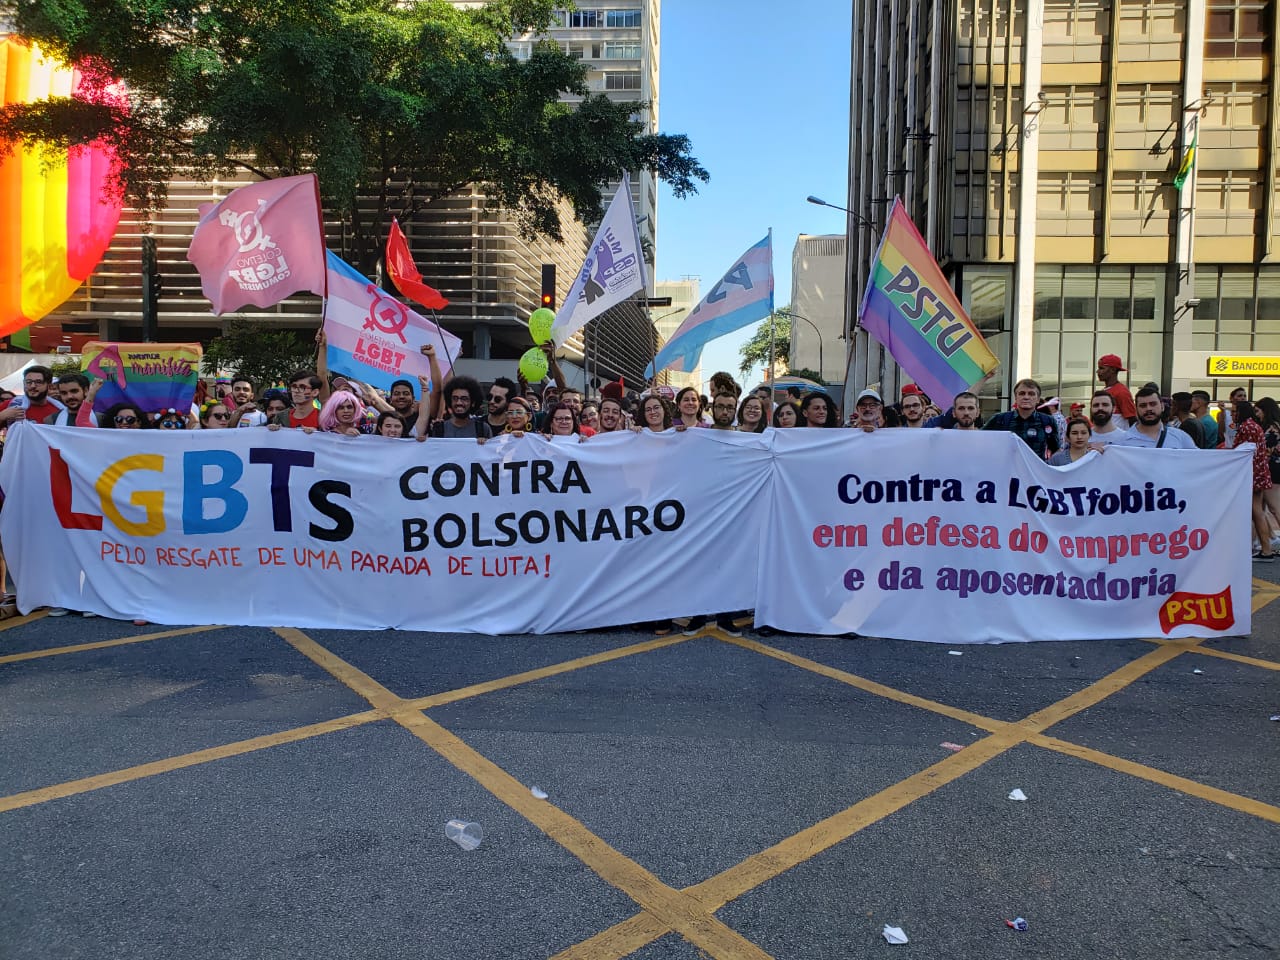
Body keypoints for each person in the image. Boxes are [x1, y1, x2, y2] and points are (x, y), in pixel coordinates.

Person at [1230, 400, 1274, 561]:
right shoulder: (1253, 425)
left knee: (1256, 512)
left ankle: (1266, 550)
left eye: (1235, 411)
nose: (1232, 415)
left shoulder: (1246, 427)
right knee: (1257, 511)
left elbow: (1243, 452)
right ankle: (1263, 547)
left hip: (1252, 474)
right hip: (1258, 472)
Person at [982, 379, 1061, 458]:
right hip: (1008, 469)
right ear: (1016, 397)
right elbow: (980, 440)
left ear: (1038, 399)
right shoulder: (999, 419)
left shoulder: (1048, 421)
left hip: (1033, 470)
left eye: (1031, 394)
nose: (1026, 397)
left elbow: (1056, 449)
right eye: (1022, 393)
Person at [1113, 386, 1197, 449]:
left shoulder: (1180, 437)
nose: (1148, 409)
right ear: (1136, 409)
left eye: (1153, 404)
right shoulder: (1121, 442)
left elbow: (1198, 460)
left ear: (1162, 406)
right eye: (1143, 405)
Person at [425, 375, 492, 440]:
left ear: (473, 402)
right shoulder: (438, 429)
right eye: (455, 398)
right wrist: (421, 442)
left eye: (464, 399)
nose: (459, 402)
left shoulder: (483, 429)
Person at [1096, 354, 1136, 427]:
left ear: (1113, 370)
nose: (1098, 371)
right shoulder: (1104, 391)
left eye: (1101, 368)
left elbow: (1132, 419)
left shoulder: (1122, 392)